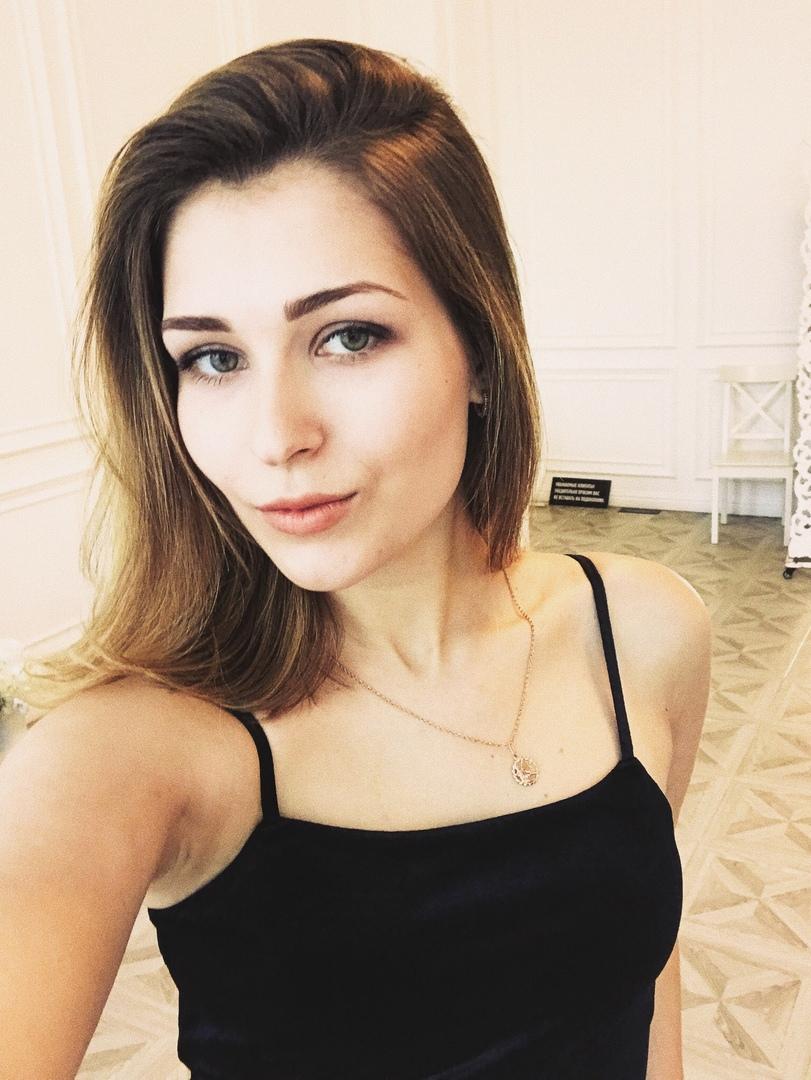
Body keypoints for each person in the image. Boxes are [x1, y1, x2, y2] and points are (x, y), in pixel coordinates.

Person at [0, 37, 711, 1080]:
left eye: (346, 337)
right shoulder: (127, 751)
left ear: (479, 348)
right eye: (213, 358)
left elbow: (645, 960)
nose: (275, 435)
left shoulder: (643, 629)